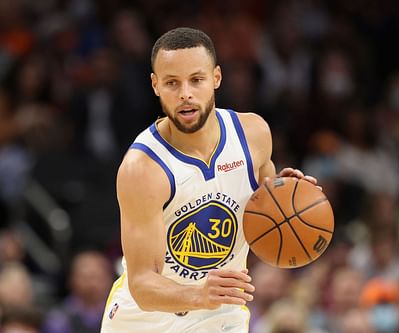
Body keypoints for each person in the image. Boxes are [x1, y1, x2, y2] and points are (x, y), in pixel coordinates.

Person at [100, 27, 318, 333]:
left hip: (220, 314)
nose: (185, 93)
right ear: (155, 85)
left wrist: (287, 196)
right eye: (172, 83)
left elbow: (264, 218)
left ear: (216, 78)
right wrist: (199, 294)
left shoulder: (254, 134)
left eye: (196, 80)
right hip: (145, 321)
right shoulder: (142, 168)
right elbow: (142, 284)